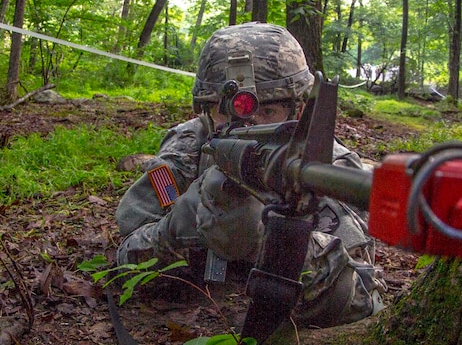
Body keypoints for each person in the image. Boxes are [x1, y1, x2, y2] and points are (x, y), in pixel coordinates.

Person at [115, 22, 386, 327]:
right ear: (204, 111)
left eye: (267, 112)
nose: (245, 128)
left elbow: (361, 297)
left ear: (298, 110)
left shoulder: (321, 167)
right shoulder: (190, 147)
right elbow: (125, 258)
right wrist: (176, 229)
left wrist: (268, 243)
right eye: (227, 112)